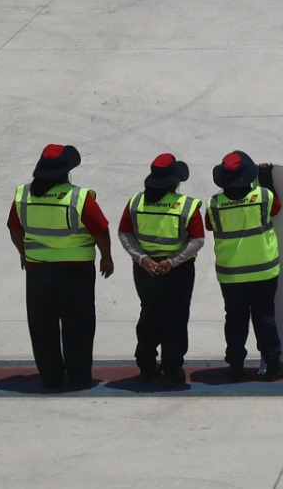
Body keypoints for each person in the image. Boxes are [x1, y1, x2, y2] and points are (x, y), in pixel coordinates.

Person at [10, 143, 114, 391]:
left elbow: (14, 228)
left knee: (42, 325)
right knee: (78, 325)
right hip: (75, 271)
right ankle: (78, 377)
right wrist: (106, 257)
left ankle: (51, 376)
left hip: (37, 270)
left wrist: (24, 253)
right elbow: (100, 230)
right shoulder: (79, 198)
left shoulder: (23, 195)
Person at [120, 153, 205, 389]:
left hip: (145, 272)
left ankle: (146, 367)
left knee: (149, 315)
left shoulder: (135, 202)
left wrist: (143, 259)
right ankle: (172, 370)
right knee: (175, 319)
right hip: (177, 272)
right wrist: (173, 261)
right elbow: (197, 240)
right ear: (175, 182)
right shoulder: (186, 205)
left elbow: (125, 234)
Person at [206, 152, 283, 382]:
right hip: (264, 271)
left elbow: (208, 225)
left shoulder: (214, 204)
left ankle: (235, 366)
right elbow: (277, 207)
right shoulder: (263, 196)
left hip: (231, 275)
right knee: (265, 317)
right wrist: (265, 178)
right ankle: (273, 364)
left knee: (235, 319)